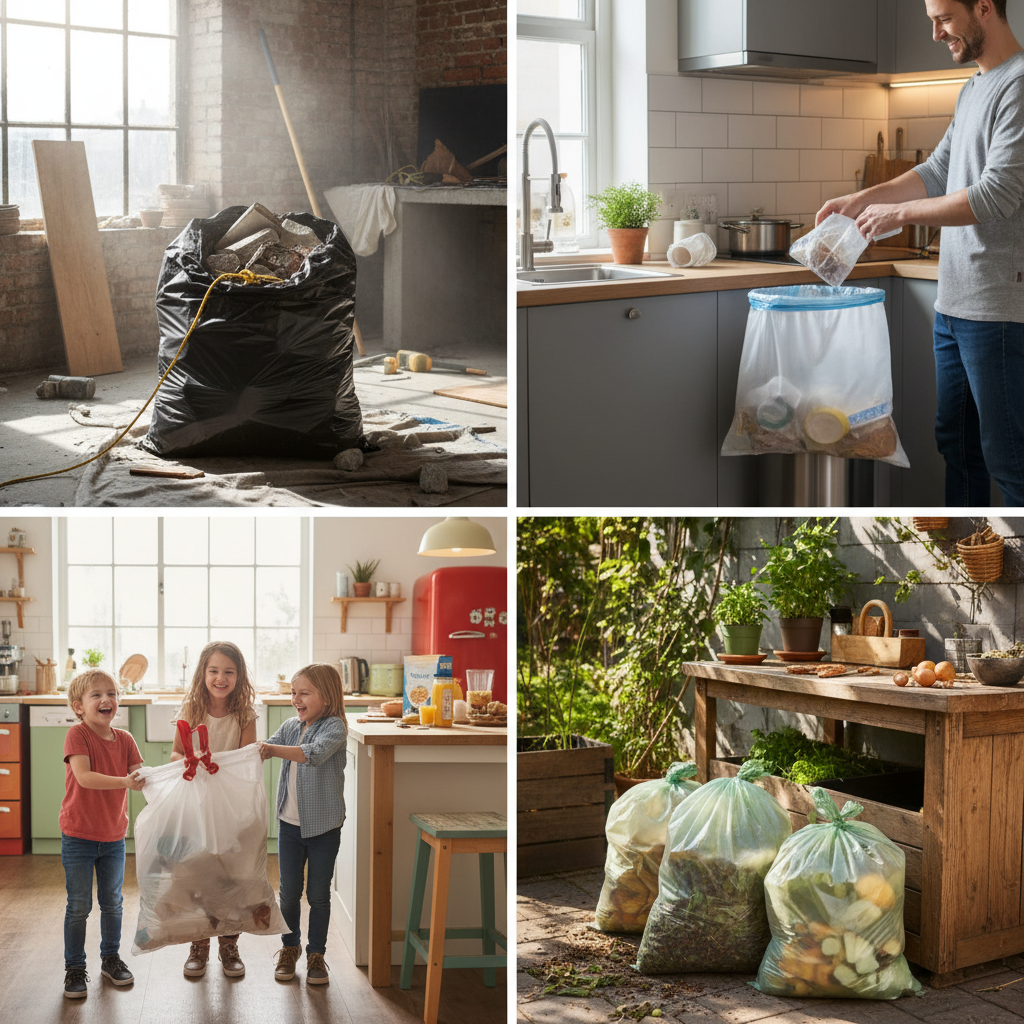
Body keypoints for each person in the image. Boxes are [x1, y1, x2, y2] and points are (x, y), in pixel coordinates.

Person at [815, 0, 1024, 506]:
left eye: (945, 18)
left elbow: (999, 193)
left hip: (997, 307)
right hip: (954, 304)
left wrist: (901, 215)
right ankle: (972, 565)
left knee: (1008, 458)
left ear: (984, 8)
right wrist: (862, 200)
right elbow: (937, 169)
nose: (936, 33)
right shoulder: (974, 87)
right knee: (957, 447)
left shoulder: (1019, 83)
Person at [170, 641, 259, 979]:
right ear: (202, 674)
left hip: (232, 808)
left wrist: (219, 766)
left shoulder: (245, 713)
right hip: (197, 805)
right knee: (200, 874)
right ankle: (200, 943)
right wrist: (191, 761)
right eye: (214, 671)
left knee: (231, 876)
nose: (220, 678)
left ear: (239, 676)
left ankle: (229, 944)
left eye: (228, 672)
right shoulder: (191, 709)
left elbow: (247, 757)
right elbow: (176, 754)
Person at [258, 663, 348, 986]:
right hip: (289, 827)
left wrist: (270, 750)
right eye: (293, 693)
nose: (296, 699)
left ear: (326, 696)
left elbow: (312, 754)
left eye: (304, 693)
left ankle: (316, 955)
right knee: (289, 892)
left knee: (318, 894)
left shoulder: (335, 728)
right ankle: (290, 947)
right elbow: (263, 749)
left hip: (324, 829)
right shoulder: (290, 726)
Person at [60, 669, 145, 999]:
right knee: (79, 905)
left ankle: (110, 958)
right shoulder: (77, 736)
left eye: (111, 693)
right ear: (78, 706)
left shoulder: (125, 739)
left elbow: (140, 774)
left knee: (113, 903)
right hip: (78, 835)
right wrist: (125, 782)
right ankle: (74, 968)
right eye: (96, 695)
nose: (106, 699)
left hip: (113, 837)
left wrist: (172, 774)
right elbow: (84, 777)